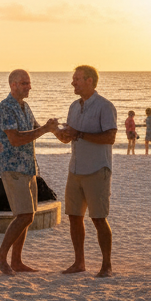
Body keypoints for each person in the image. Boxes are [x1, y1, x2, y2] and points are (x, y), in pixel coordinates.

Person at [0, 70, 60, 275]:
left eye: (29, 83)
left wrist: (56, 130)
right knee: (24, 215)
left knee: (28, 216)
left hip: (28, 167)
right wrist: (45, 130)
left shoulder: (25, 106)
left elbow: (35, 129)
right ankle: (0, 257)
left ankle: (17, 261)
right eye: (24, 83)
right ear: (13, 85)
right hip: (13, 168)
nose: (29, 86)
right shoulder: (5, 107)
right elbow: (15, 139)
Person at [57, 65, 117, 277]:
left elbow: (110, 138)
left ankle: (106, 265)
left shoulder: (105, 106)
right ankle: (79, 263)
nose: (73, 82)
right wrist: (61, 134)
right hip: (75, 169)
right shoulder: (74, 106)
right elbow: (70, 137)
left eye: (77, 79)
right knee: (74, 217)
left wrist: (79, 134)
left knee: (99, 218)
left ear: (90, 80)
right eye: (73, 79)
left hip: (97, 169)